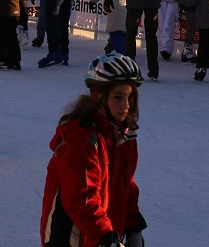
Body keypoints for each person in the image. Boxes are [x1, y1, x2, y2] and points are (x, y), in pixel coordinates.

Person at [41, 52, 147, 247]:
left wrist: (133, 226)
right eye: (118, 97)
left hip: (102, 234)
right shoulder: (80, 140)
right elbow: (81, 198)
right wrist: (106, 237)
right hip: (70, 237)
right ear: (97, 95)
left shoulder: (124, 135)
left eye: (130, 97)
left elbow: (126, 184)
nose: (126, 105)